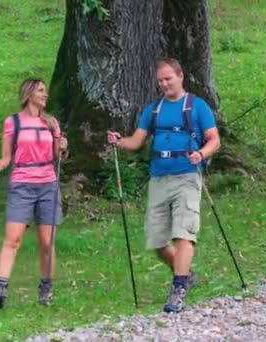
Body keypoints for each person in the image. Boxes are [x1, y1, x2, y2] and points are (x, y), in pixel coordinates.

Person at [107, 58, 220, 313]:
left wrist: (201, 154)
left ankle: (178, 288)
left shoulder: (197, 106)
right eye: (160, 80)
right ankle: (186, 275)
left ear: (181, 76)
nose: (164, 84)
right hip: (158, 178)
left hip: (187, 176)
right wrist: (118, 142)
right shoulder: (153, 109)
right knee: (157, 239)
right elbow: (136, 141)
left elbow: (214, 140)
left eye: (169, 78)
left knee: (184, 233)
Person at [0, 78, 68, 309]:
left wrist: (63, 148)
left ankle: (46, 288)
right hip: (22, 185)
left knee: (47, 242)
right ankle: (0, 289)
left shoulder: (51, 123)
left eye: (45, 90)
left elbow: (59, 157)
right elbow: (6, 158)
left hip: (48, 184)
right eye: (40, 90)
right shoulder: (13, 123)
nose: (45, 94)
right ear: (28, 94)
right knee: (13, 239)